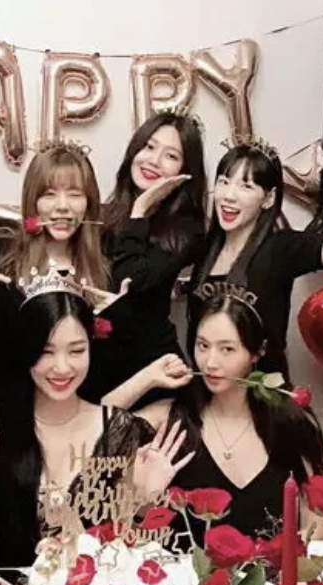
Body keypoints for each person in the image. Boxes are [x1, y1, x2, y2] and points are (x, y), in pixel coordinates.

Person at [0, 287, 192, 567]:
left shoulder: (119, 429)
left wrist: (144, 501)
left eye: (76, 351)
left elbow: (126, 549)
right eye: (46, 352)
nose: (62, 368)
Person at [105, 288, 323, 541]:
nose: (210, 362)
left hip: (273, 567)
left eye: (227, 349)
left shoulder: (291, 423)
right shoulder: (169, 418)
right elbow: (91, 430)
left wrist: (284, 564)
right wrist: (146, 378)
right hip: (178, 567)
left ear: (258, 351)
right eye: (203, 346)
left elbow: (317, 523)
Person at [0, 141, 123, 409]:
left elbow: (106, 371)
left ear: (89, 204)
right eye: (50, 194)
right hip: (6, 416)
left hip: (73, 419)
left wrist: (119, 318)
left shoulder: (105, 268)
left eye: (75, 194)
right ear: (33, 202)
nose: (62, 206)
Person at [188, 137, 323, 383]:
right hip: (207, 390)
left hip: (261, 395)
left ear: (268, 199)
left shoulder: (281, 249)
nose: (229, 196)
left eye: (246, 186)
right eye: (224, 182)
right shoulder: (204, 249)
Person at [100, 111, 208, 397]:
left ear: (185, 170)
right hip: (99, 366)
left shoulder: (187, 230)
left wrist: (140, 211)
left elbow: (131, 279)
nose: (154, 160)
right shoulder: (105, 215)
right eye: (149, 147)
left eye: (171, 156)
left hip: (154, 369)